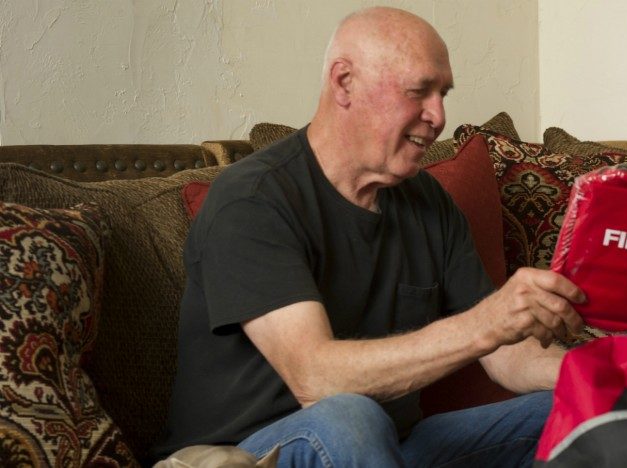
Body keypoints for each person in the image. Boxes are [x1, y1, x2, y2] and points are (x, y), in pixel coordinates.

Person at [155, 7, 585, 467]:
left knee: (578, 412)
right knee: (348, 417)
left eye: (442, 94)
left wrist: (611, 377)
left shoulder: (429, 204)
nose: (438, 115)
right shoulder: (252, 200)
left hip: (388, 448)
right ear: (344, 83)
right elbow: (315, 380)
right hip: (254, 451)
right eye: (420, 91)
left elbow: (509, 358)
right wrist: (486, 322)